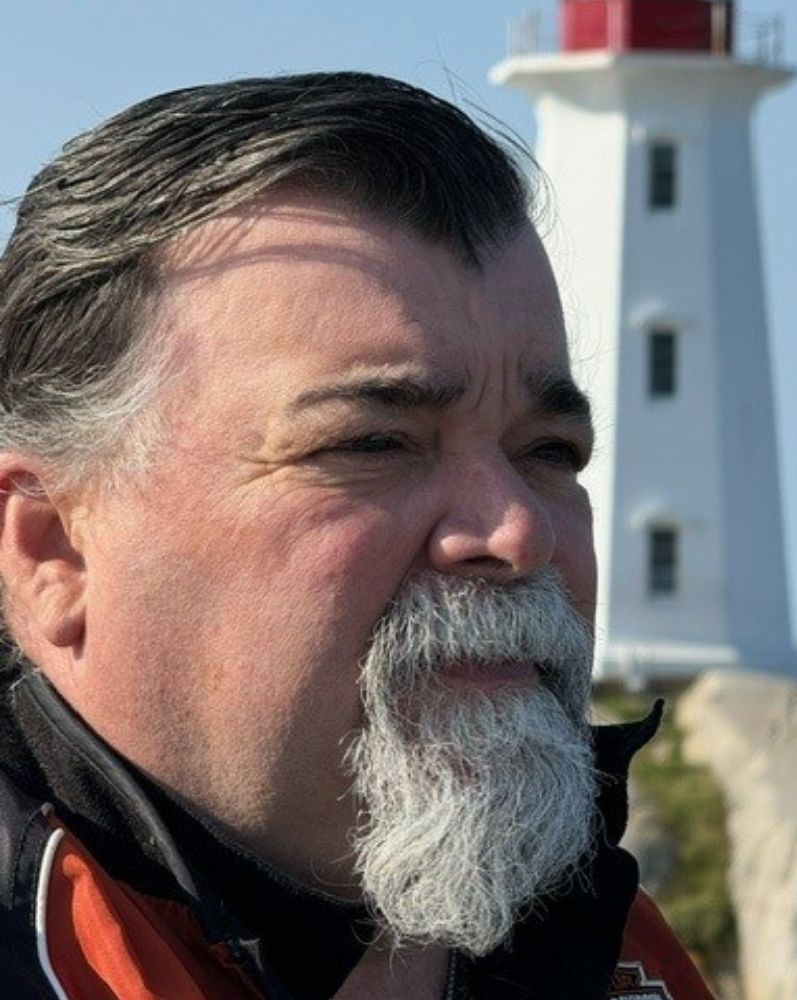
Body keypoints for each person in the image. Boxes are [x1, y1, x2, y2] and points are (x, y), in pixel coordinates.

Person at [0, 73, 714, 999]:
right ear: (54, 550)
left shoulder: (606, 944)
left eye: (548, 449)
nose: (517, 529)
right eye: (375, 443)